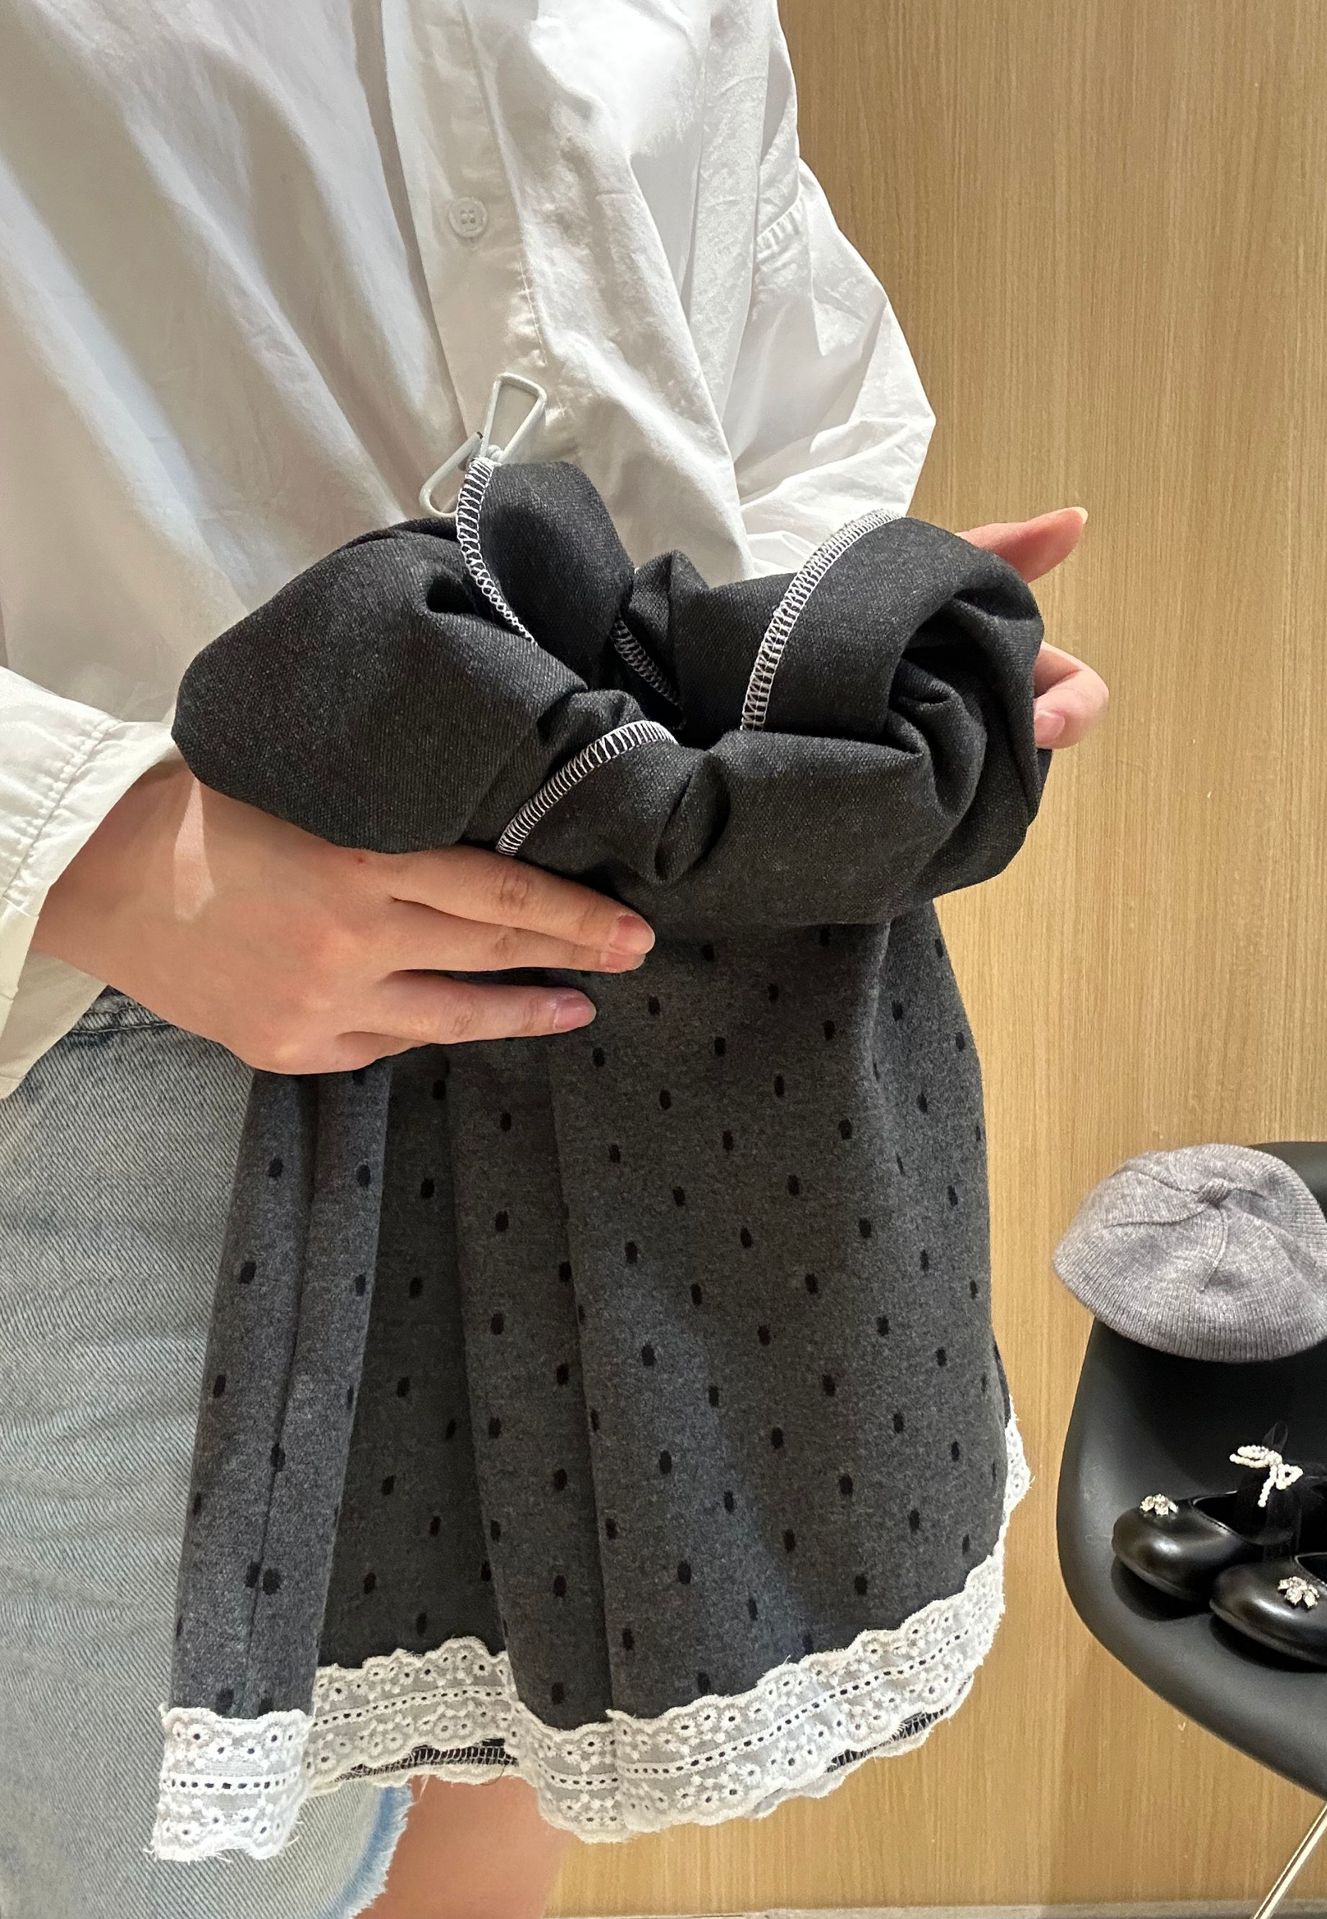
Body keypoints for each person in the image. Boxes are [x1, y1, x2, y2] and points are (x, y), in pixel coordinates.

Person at [0, 3, 1108, 1917]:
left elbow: (777, 355)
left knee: (521, 1797)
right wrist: (87, 850)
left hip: (675, 1009)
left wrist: (832, 652)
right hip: (160, 1036)